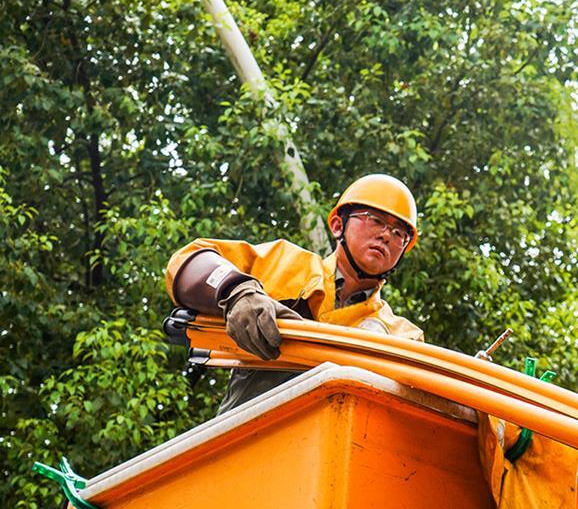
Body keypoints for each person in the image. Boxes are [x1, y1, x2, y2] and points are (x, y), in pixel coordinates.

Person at [164, 174, 423, 413]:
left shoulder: (402, 336)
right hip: (243, 434)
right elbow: (189, 260)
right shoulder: (285, 265)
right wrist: (236, 291)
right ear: (337, 225)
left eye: (399, 233)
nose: (386, 235)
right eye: (375, 220)